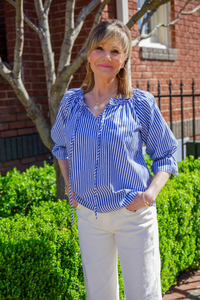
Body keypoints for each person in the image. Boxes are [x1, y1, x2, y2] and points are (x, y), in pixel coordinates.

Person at [51, 19, 178, 300]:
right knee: (98, 295)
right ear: (88, 55)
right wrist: (71, 184)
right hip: (89, 215)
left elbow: (166, 154)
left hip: (132, 213)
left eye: (115, 51)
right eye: (99, 48)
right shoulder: (71, 102)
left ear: (124, 60)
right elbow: (60, 145)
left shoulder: (140, 103)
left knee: (143, 293)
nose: (106, 57)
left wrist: (148, 196)